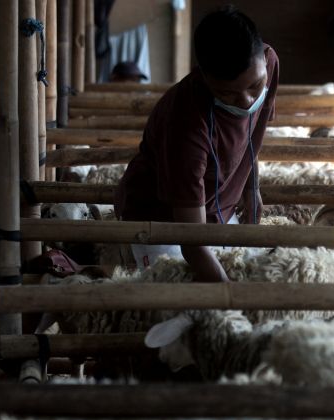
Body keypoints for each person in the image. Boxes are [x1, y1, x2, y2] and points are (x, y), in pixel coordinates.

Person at [115, 6, 279, 280]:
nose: (247, 102)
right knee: (181, 302)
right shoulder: (186, 124)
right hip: (162, 220)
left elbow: (253, 132)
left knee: (249, 273)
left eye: (254, 86)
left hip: (220, 207)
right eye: (228, 94)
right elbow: (191, 241)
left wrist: (251, 187)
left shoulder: (270, 63)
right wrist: (231, 302)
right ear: (203, 77)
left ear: (263, 58)